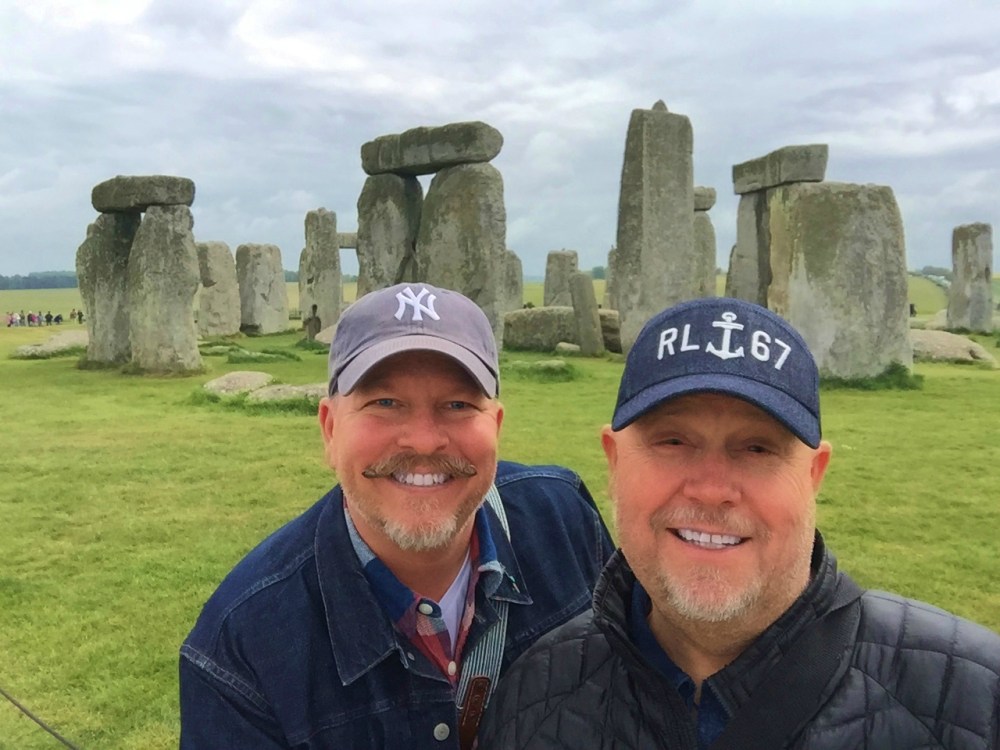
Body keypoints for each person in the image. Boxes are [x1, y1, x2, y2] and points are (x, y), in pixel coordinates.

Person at [479, 297, 1000, 749]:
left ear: (814, 474)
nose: (711, 489)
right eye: (673, 441)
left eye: (757, 447)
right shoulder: (533, 693)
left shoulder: (972, 703)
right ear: (614, 463)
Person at [179, 282, 615, 749]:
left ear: (496, 425)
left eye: (458, 404)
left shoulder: (565, 521)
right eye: (385, 404)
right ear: (329, 429)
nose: (424, 441)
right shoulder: (244, 645)